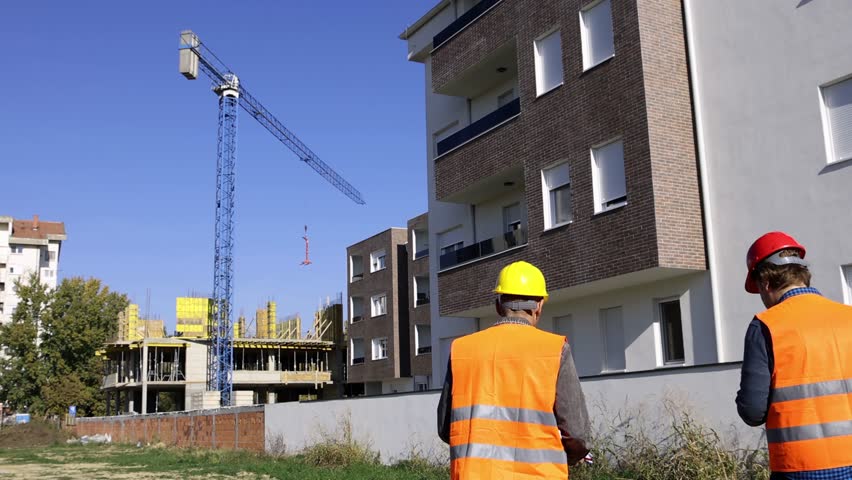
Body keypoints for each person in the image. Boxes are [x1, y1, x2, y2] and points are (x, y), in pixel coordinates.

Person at [437, 261, 591, 479]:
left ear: (498, 305)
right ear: (539, 306)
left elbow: (445, 427)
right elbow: (577, 434)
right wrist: (572, 457)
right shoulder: (554, 349)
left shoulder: (462, 349)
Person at [736, 232, 852, 479]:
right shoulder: (848, 317)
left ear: (766, 282)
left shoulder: (765, 325)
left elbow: (752, 411)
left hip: (799, 467)